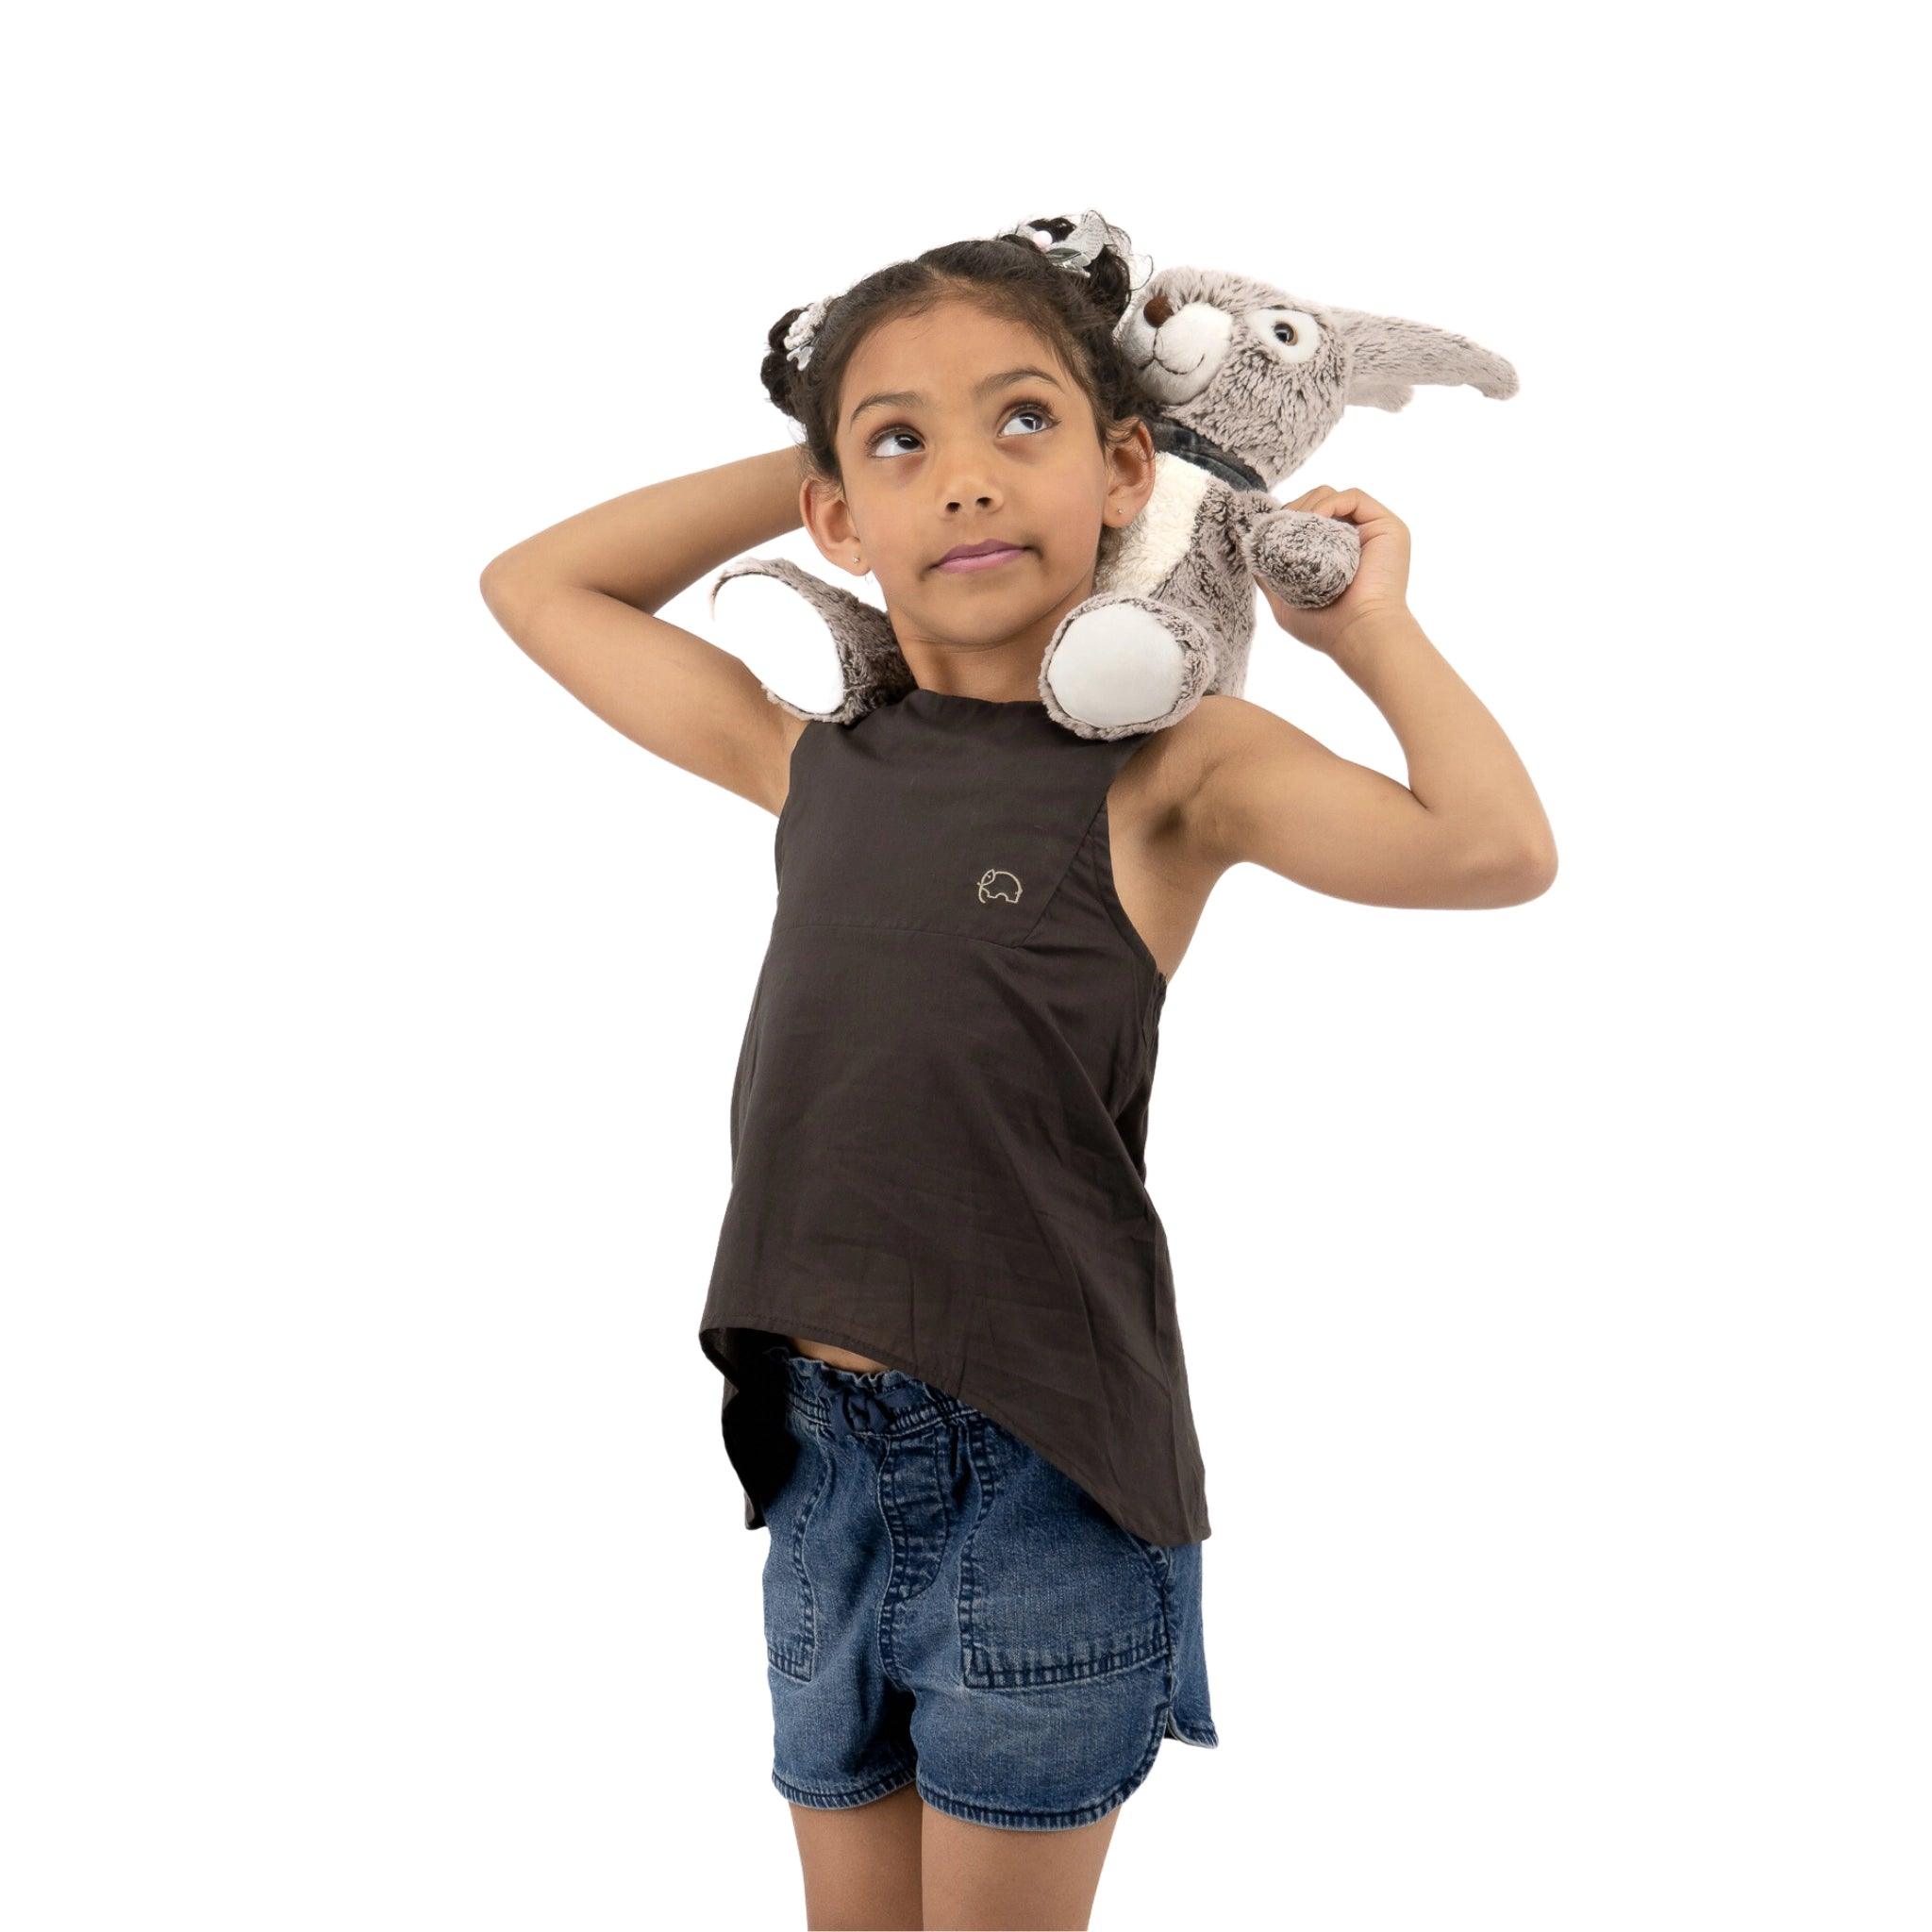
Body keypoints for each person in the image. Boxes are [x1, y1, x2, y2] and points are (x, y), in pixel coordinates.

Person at [479, 212, 1557, 1931]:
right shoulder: (813, 758)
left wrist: (1373, 640)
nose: (967, 479)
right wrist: (825, 443)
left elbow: (1494, 853)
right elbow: (536, 586)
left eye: (1025, 421)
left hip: (1040, 1466)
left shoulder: (1172, 770)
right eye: (905, 445)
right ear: (838, 513)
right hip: (820, 1453)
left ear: (1133, 467)